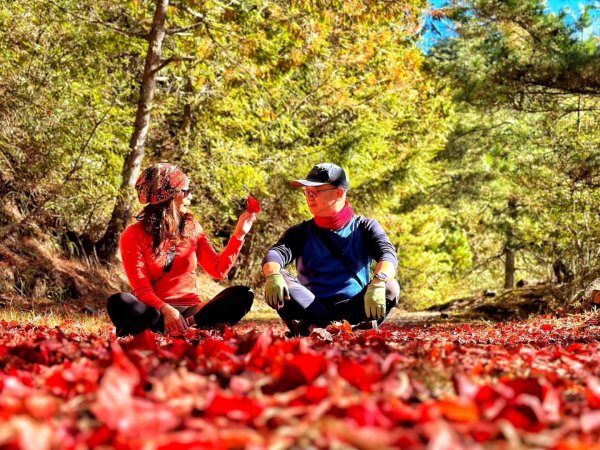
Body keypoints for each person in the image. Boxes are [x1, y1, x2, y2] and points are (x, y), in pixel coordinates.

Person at [107, 163, 256, 336]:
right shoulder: (132, 235)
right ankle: (178, 328)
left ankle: (187, 326)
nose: (190, 196)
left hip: (193, 312)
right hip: (155, 312)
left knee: (243, 295)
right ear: (169, 196)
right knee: (118, 301)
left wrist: (238, 235)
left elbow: (218, 270)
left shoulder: (193, 228)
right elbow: (142, 290)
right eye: (185, 191)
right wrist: (166, 310)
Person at [262, 163, 400, 336]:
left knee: (390, 286)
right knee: (277, 275)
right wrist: (272, 274)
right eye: (307, 192)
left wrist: (378, 281)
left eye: (316, 191)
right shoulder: (301, 232)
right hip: (311, 306)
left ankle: (311, 328)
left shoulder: (365, 227)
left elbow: (387, 255)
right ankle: (338, 330)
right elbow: (275, 254)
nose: (309, 197)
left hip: (353, 309)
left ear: (339, 192)